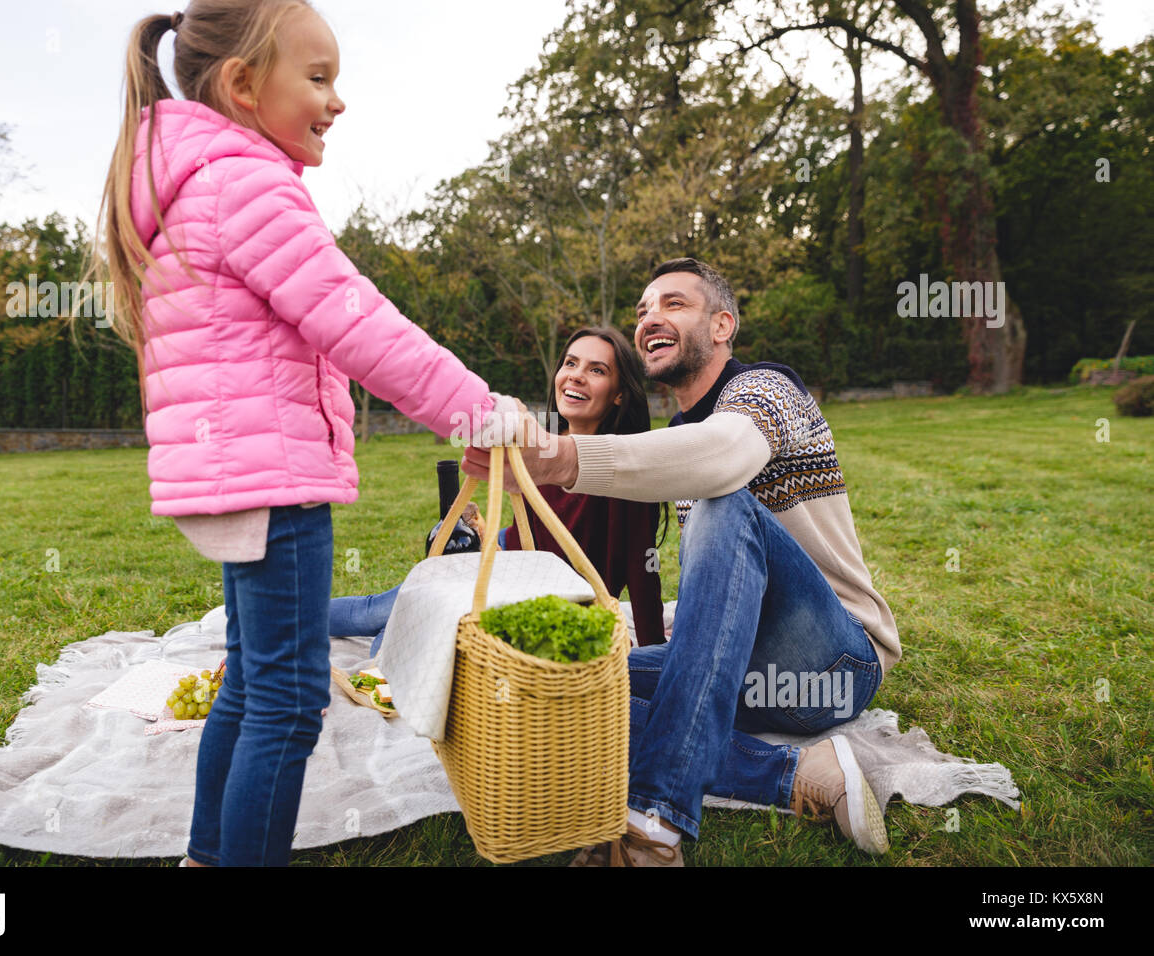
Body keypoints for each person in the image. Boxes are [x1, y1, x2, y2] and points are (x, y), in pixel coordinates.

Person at [94, 1, 519, 867]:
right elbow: (358, 323)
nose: (338, 100)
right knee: (288, 699)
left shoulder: (193, 181)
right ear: (245, 84)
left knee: (253, 683)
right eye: (318, 77)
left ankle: (208, 855)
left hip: (238, 474)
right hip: (273, 480)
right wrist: (482, 410)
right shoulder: (244, 183)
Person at [465, 258, 902, 865]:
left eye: (674, 304)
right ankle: (798, 775)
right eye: (643, 310)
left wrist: (563, 458)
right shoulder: (680, 430)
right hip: (745, 673)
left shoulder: (768, 390)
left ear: (723, 325)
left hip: (834, 661)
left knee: (727, 502)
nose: (650, 320)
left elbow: (723, 456)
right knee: (545, 691)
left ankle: (657, 823)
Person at [330, 326, 668, 652]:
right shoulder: (542, 446)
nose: (576, 375)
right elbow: (528, 539)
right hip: (507, 566)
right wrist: (484, 532)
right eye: (570, 363)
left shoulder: (620, 465)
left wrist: (654, 655)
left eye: (597, 370)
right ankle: (280, 617)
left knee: (404, 623)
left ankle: (384, 660)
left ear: (619, 392)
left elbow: (642, 568)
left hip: (546, 598)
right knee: (377, 610)